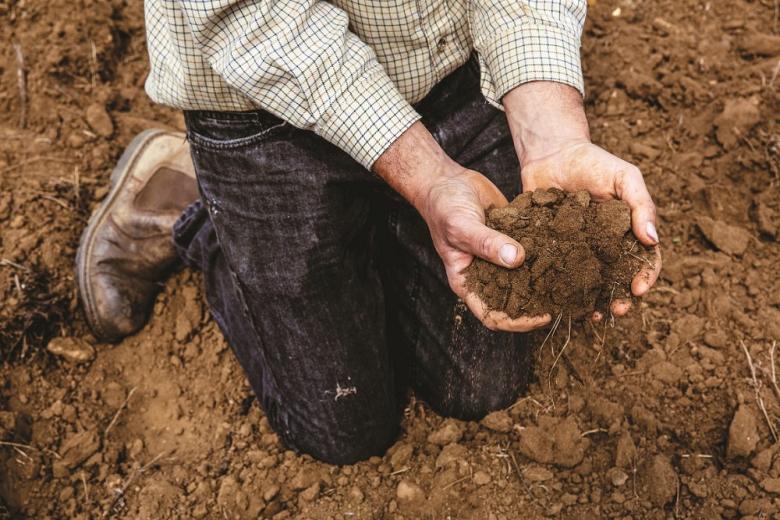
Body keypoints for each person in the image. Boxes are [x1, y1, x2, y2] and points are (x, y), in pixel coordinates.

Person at [77, 0, 661, 464]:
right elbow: (247, 15)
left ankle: (373, 222)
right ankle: (196, 211)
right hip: (264, 104)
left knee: (478, 388)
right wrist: (427, 178)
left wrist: (553, 135)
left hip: (445, 68)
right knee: (344, 429)